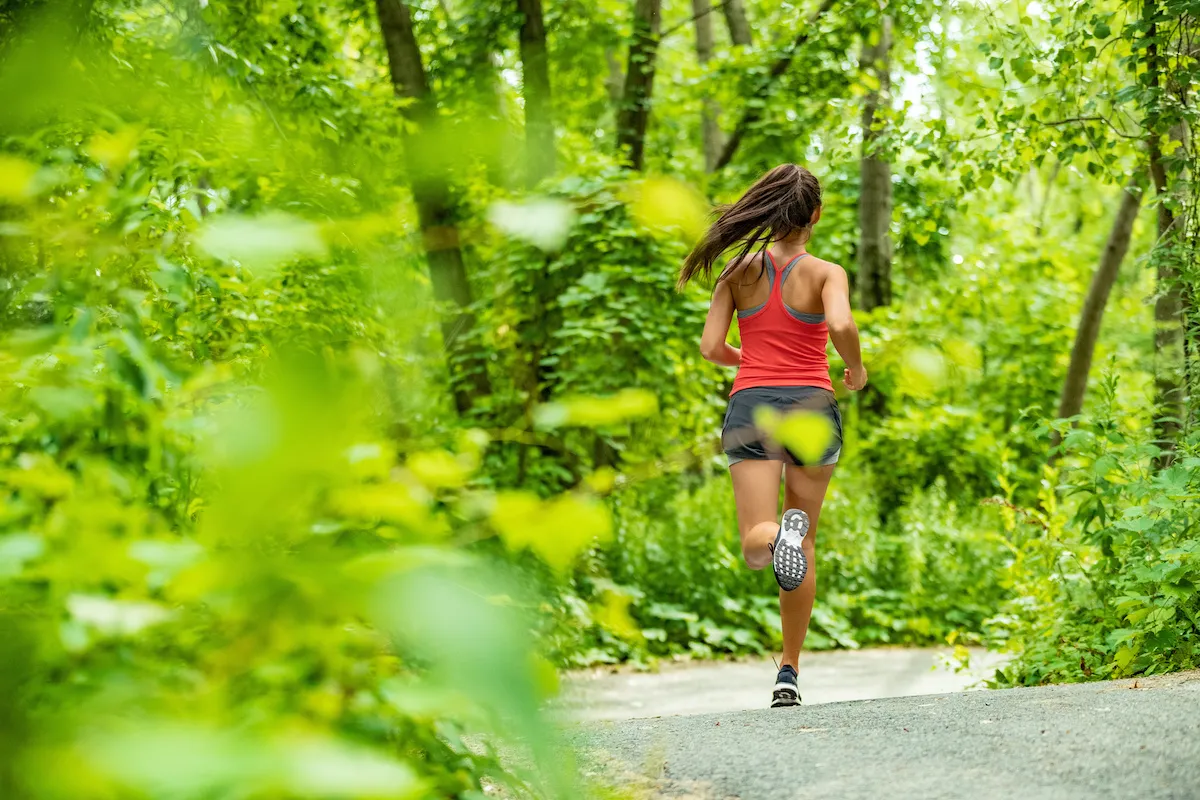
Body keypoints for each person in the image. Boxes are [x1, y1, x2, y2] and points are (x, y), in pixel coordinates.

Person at [678, 164, 867, 708]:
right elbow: (841, 326)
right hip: (811, 406)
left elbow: (711, 347)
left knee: (757, 542)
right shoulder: (827, 273)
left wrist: (752, 361)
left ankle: (773, 538)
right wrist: (855, 369)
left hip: (752, 407)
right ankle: (789, 670)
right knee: (804, 544)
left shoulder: (736, 272)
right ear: (815, 216)